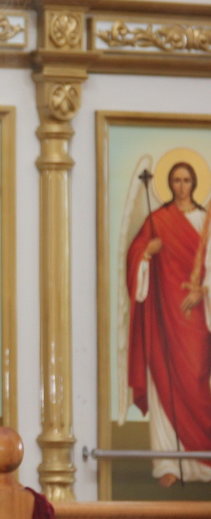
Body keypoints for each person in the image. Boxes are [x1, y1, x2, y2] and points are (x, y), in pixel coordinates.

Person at [126, 162, 211, 486]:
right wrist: (146, 254)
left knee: (197, 381)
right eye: (176, 180)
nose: (181, 186)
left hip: (196, 321)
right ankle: (169, 464)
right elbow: (134, 257)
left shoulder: (205, 220)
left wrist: (204, 291)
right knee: (163, 381)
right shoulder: (158, 220)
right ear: (170, 183)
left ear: (195, 183)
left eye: (187, 180)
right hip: (164, 320)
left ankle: (202, 464)